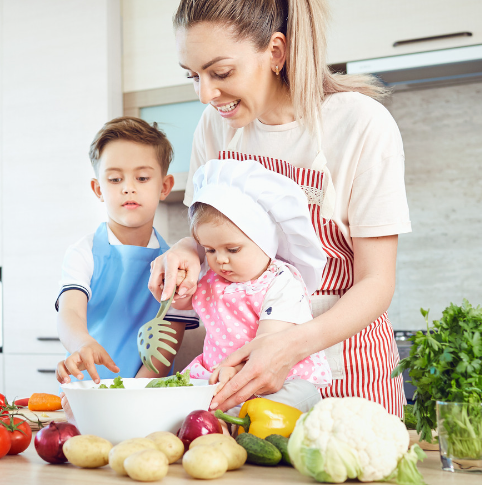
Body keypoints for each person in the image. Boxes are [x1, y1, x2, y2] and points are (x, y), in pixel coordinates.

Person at [149, 0, 410, 418]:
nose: (205, 94)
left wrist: (289, 346)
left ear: (275, 52)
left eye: (220, 73)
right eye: (192, 76)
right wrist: (186, 249)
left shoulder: (361, 124)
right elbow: (209, 235)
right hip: (241, 367)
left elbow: (377, 282)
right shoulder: (216, 127)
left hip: (345, 360)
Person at [55, 117, 199, 418]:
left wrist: (130, 398)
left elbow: (164, 351)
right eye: (115, 179)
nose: (128, 189)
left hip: (147, 399)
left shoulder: (176, 265)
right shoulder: (84, 253)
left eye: (142, 178)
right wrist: (82, 342)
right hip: (87, 398)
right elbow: (70, 313)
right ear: (98, 188)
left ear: (165, 186)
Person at [174, 159, 330, 413]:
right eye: (210, 249)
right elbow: (184, 304)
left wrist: (237, 372)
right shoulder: (212, 279)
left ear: (264, 241)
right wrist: (179, 288)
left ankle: (226, 420)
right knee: (178, 400)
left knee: (299, 395)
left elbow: (270, 340)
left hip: (276, 380)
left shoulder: (281, 282)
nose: (220, 259)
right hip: (217, 377)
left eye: (232, 249)